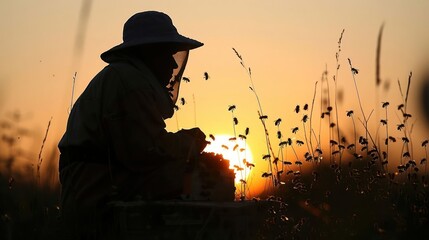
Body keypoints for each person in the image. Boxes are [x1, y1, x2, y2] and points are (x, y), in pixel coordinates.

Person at [58, 11, 207, 239]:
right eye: (165, 54)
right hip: (97, 195)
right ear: (148, 53)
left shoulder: (122, 77)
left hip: (93, 188)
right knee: (206, 177)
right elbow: (145, 151)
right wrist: (187, 142)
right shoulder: (129, 82)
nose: (171, 63)